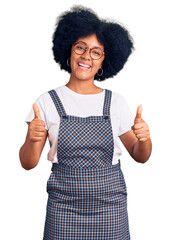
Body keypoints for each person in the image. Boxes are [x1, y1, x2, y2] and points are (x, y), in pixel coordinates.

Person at [19, 5, 152, 239]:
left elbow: (140, 155)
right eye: (80, 47)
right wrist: (32, 138)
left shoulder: (115, 103)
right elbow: (28, 163)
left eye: (95, 52)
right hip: (63, 210)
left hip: (110, 210)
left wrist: (145, 139)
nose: (86, 56)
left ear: (103, 62)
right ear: (68, 51)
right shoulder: (47, 101)